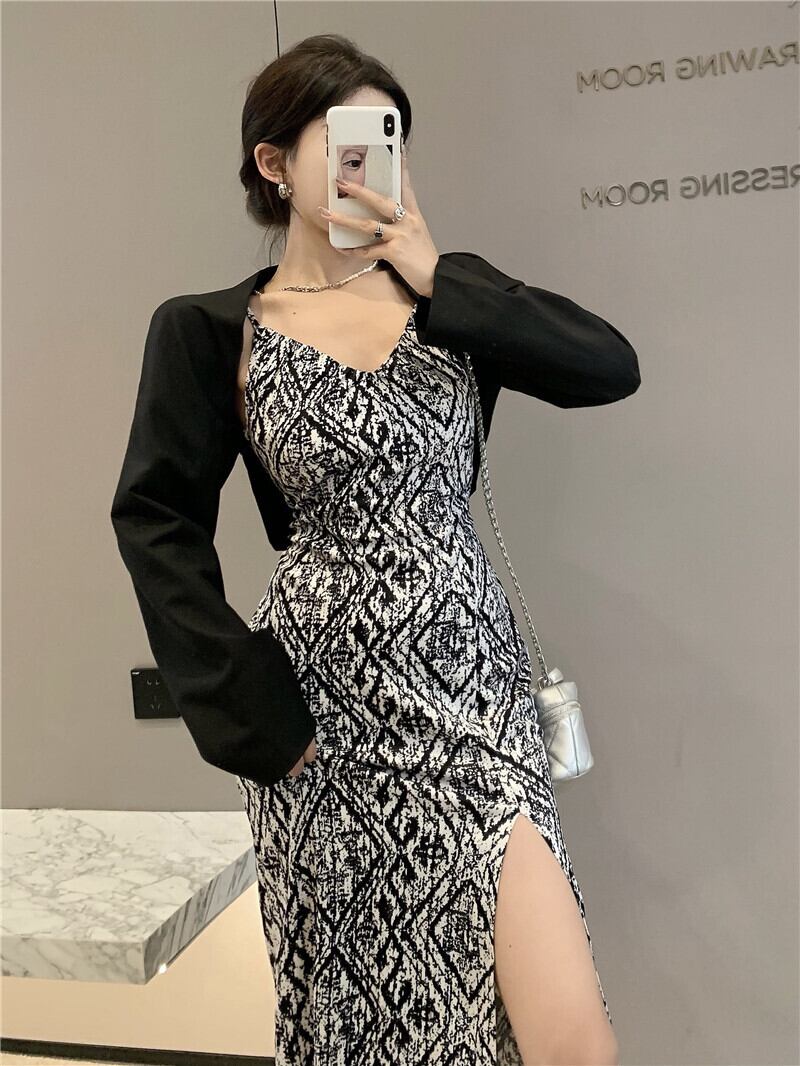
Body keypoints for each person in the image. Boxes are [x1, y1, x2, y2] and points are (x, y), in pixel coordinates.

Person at [111, 33, 640, 1066]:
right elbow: (155, 519)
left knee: (572, 1039)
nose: (373, 159)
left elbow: (606, 367)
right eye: (346, 138)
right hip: (323, 718)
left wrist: (438, 273)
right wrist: (250, 710)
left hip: (473, 695)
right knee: (369, 1024)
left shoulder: (451, 299)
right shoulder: (214, 329)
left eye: (389, 136)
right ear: (274, 162)